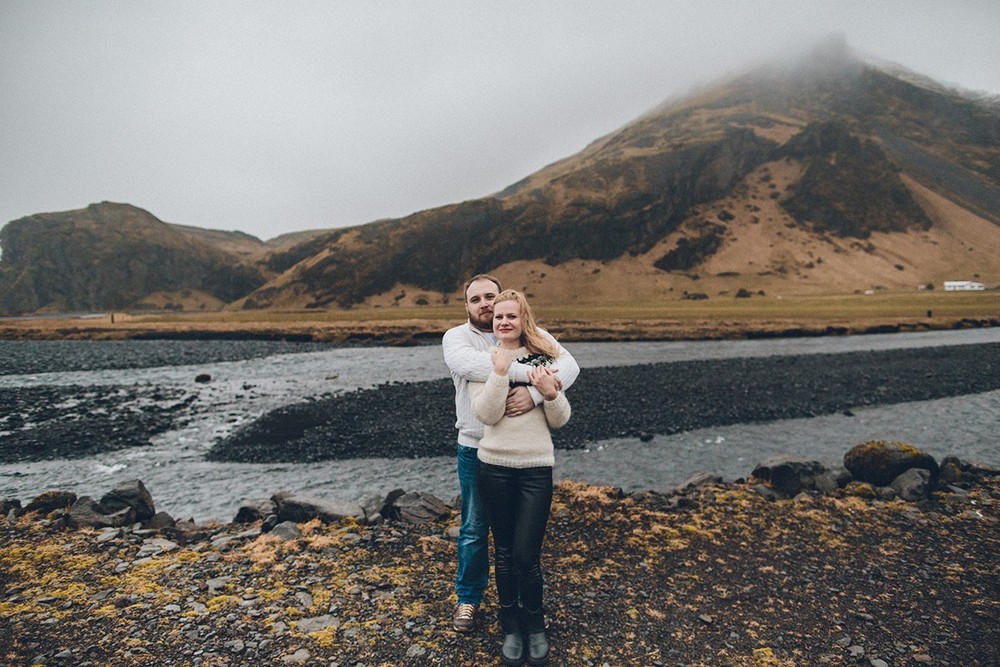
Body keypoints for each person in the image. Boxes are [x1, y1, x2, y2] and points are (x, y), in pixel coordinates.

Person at [442, 275, 579, 635]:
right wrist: (532, 372)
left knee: (518, 541)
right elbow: (473, 367)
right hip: (476, 445)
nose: (486, 305)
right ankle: (468, 599)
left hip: (524, 455)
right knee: (474, 528)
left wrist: (536, 394)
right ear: (467, 305)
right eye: (477, 299)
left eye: (491, 297)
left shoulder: (527, 329)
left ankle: (523, 610)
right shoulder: (458, 338)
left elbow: (571, 366)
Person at [471, 289, 570, 666]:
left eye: (511, 316)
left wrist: (547, 394)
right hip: (494, 467)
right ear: (492, 323)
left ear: (523, 319)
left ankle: (535, 624)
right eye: (498, 317)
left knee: (528, 554)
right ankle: (510, 623)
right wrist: (499, 373)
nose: (504, 322)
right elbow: (486, 414)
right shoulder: (487, 360)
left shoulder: (546, 359)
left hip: (535, 470)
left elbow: (560, 419)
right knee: (506, 552)